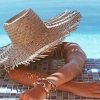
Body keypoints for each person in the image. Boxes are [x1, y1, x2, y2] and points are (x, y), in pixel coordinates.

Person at [0, 8, 100, 100]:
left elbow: (75, 63)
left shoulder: (67, 47)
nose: (43, 49)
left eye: (43, 43)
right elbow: (15, 73)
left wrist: (43, 87)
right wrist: (73, 86)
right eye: (35, 47)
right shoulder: (15, 62)